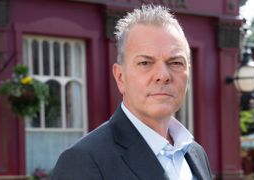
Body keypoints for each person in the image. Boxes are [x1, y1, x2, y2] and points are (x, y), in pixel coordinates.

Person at [51, 5, 212, 180]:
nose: (163, 75)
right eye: (145, 63)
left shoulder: (196, 153)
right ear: (120, 77)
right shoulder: (82, 161)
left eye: (175, 63)